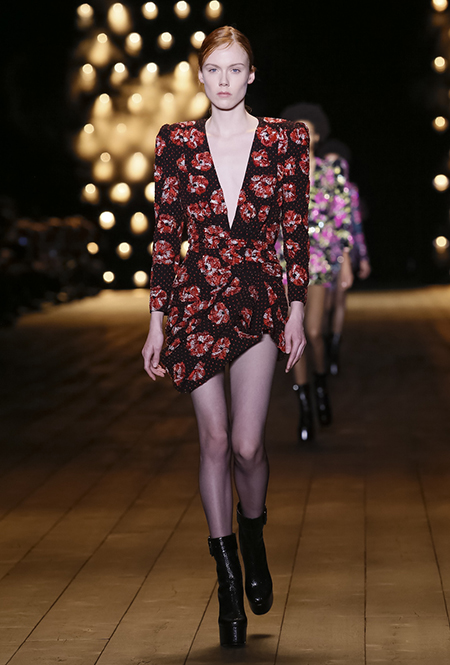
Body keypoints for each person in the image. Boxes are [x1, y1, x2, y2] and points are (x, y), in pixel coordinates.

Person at [141, 26, 310, 648]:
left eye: (235, 69)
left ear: (251, 74)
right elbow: (166, 233)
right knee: (213, 440)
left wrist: (296, 308)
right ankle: (229, 579)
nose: (224, 80)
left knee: (246, 445)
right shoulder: (177, 142)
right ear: (200, 74)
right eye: (213, 69)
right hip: (196, 305)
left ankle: (253, 532)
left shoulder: (286, 141)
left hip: (259, 301)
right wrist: (157, 319)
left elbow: (295, 230)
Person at [276, 103, 353, 443]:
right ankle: (305, 406)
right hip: (283, 263)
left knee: (314, 332)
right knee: (292, 337)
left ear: (318, 135)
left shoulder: (330, 172)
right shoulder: (277, 173)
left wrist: (345, 261)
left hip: (319, 262)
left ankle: (320, 384)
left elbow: (342, 219)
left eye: (308, 130)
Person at [318, 139, 371, 375]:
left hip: (344, 253)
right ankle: (323, 341)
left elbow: (356, 227)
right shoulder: (317, 187)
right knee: (325, 304)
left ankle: (334, 348)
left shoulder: (350, 190)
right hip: (322, 254)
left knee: (339, 301)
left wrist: (364, 258)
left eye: (337, 163)